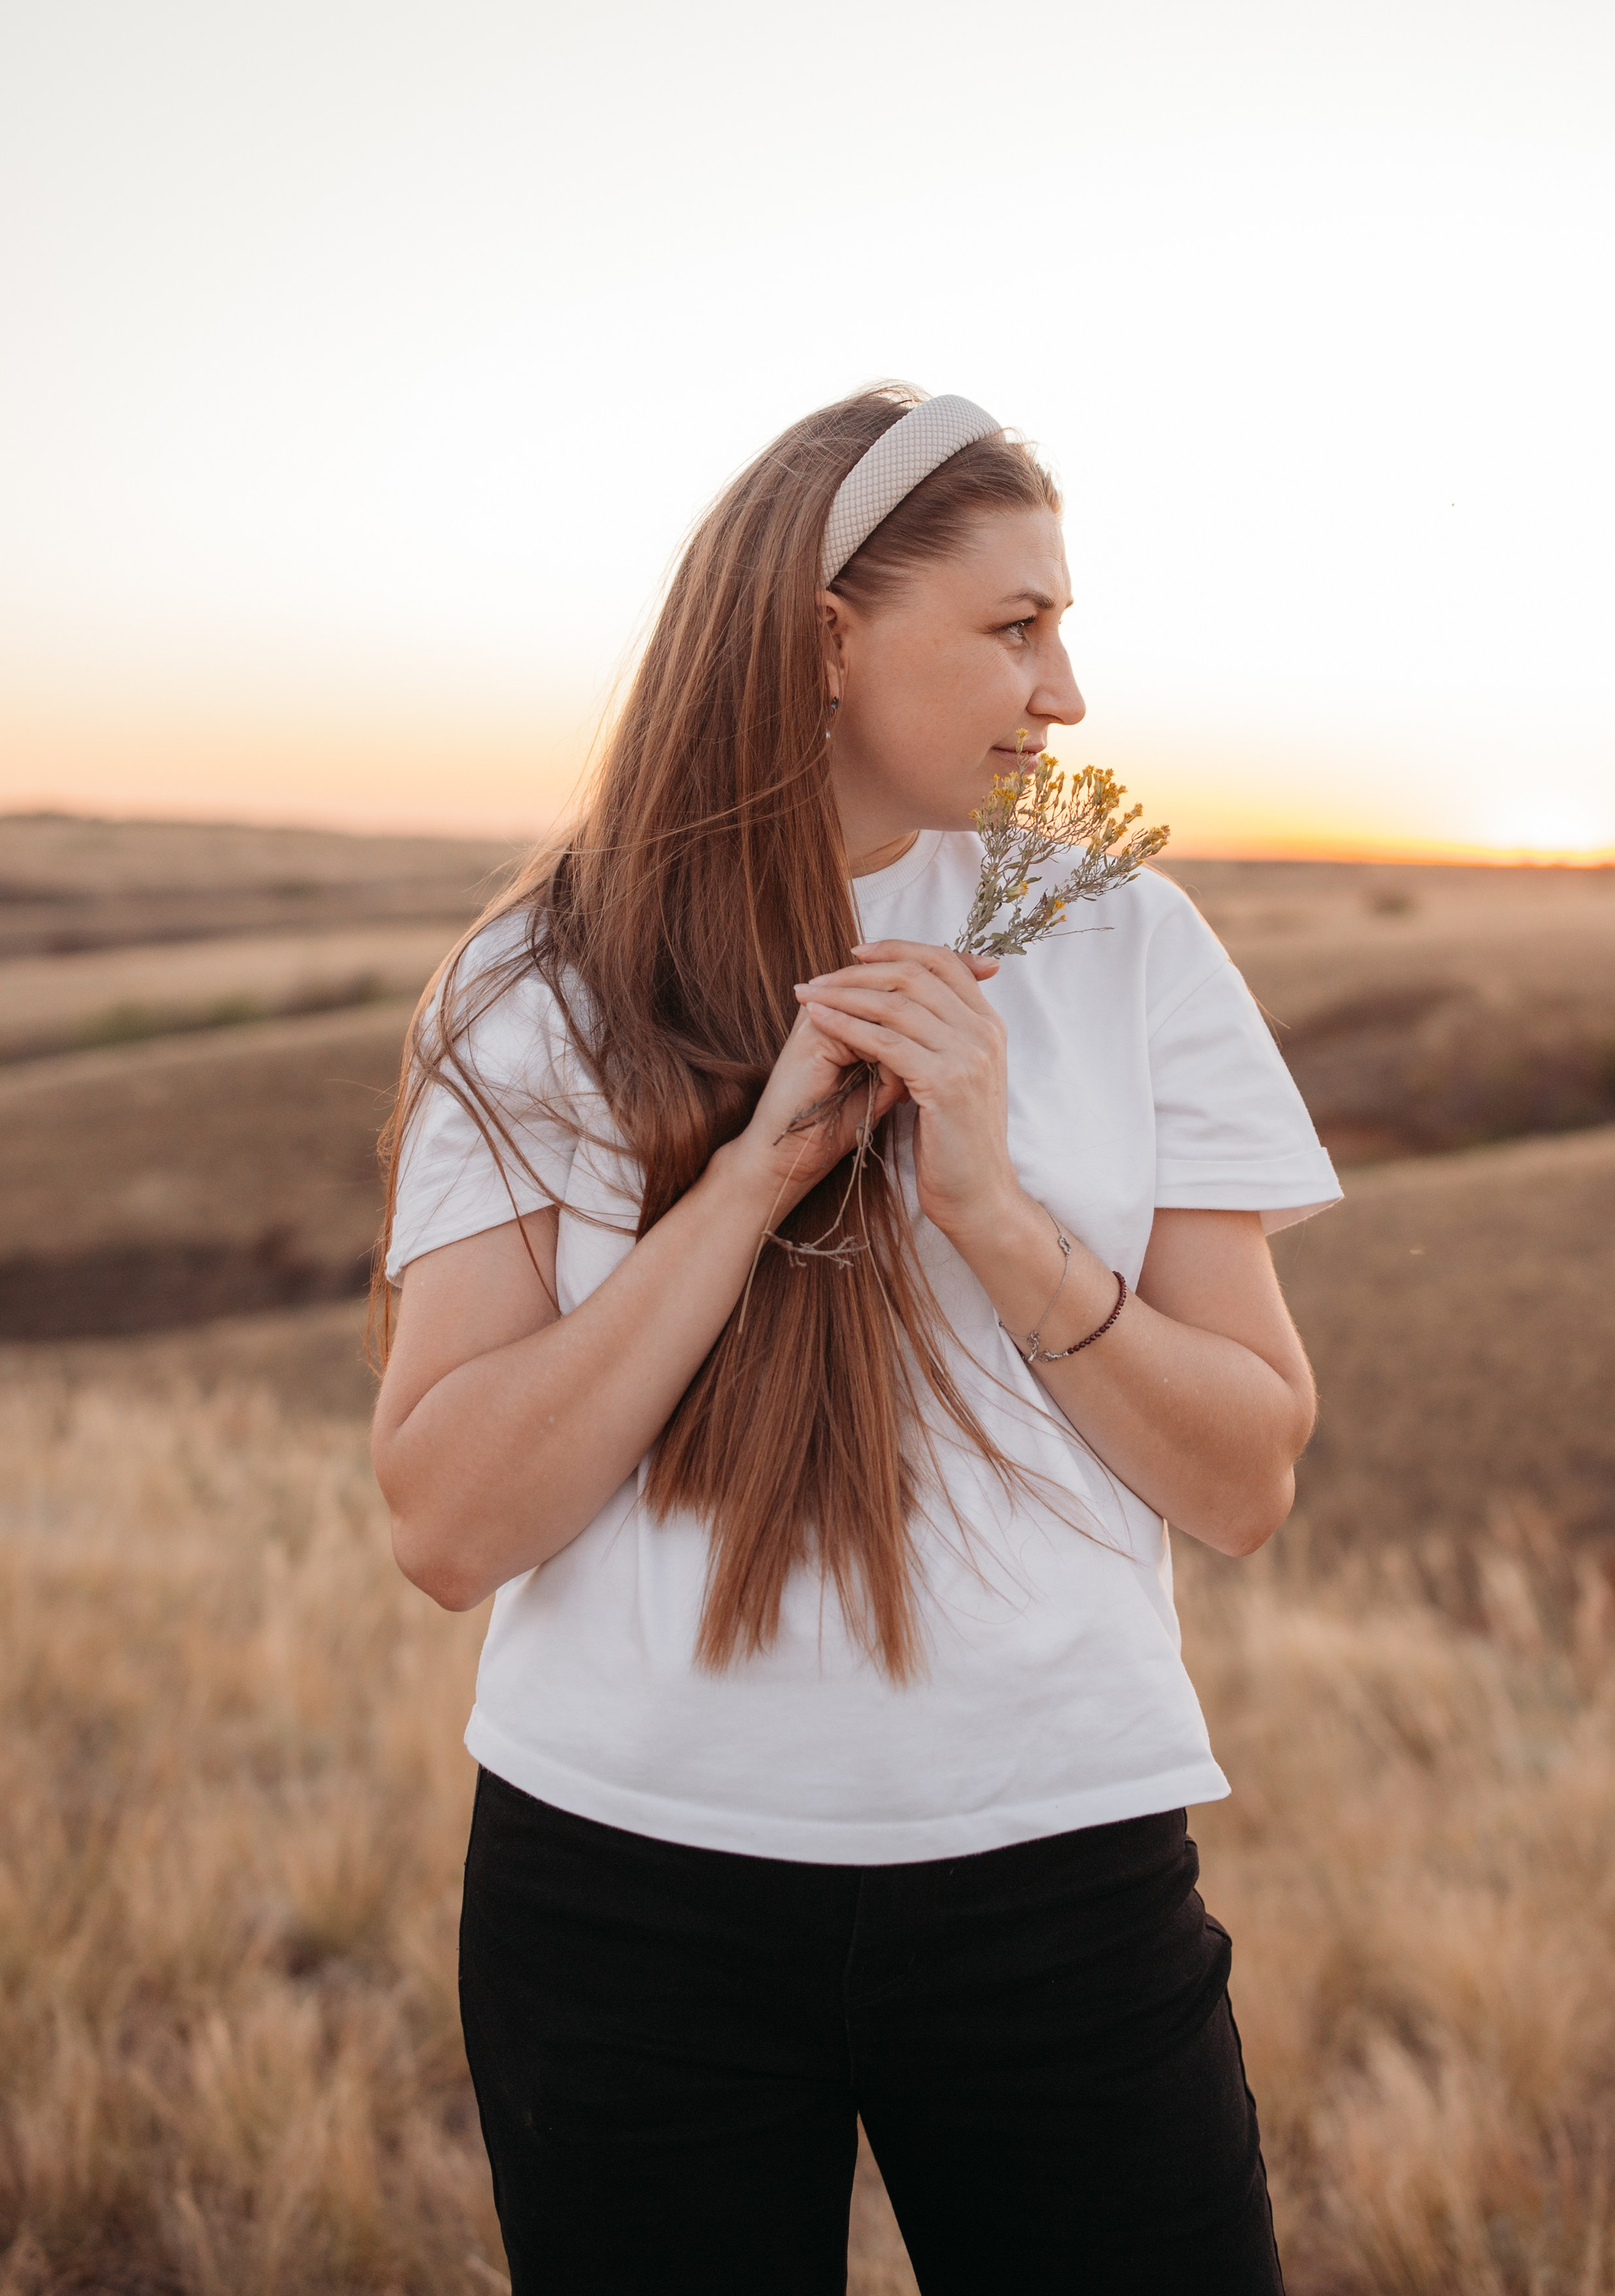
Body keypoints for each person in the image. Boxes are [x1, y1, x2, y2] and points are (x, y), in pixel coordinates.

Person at [371, 383, 1340, 2294]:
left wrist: (990, 1210)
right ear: (826, 639)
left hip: (1060, 1881)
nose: (1066, 694)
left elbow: (1246, 1479)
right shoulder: (540, 979)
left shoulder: (1126, 946)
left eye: (1061, 629)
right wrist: (746, 1188)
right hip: (625, 1897)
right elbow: (448, 1527)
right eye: (1013, 625)